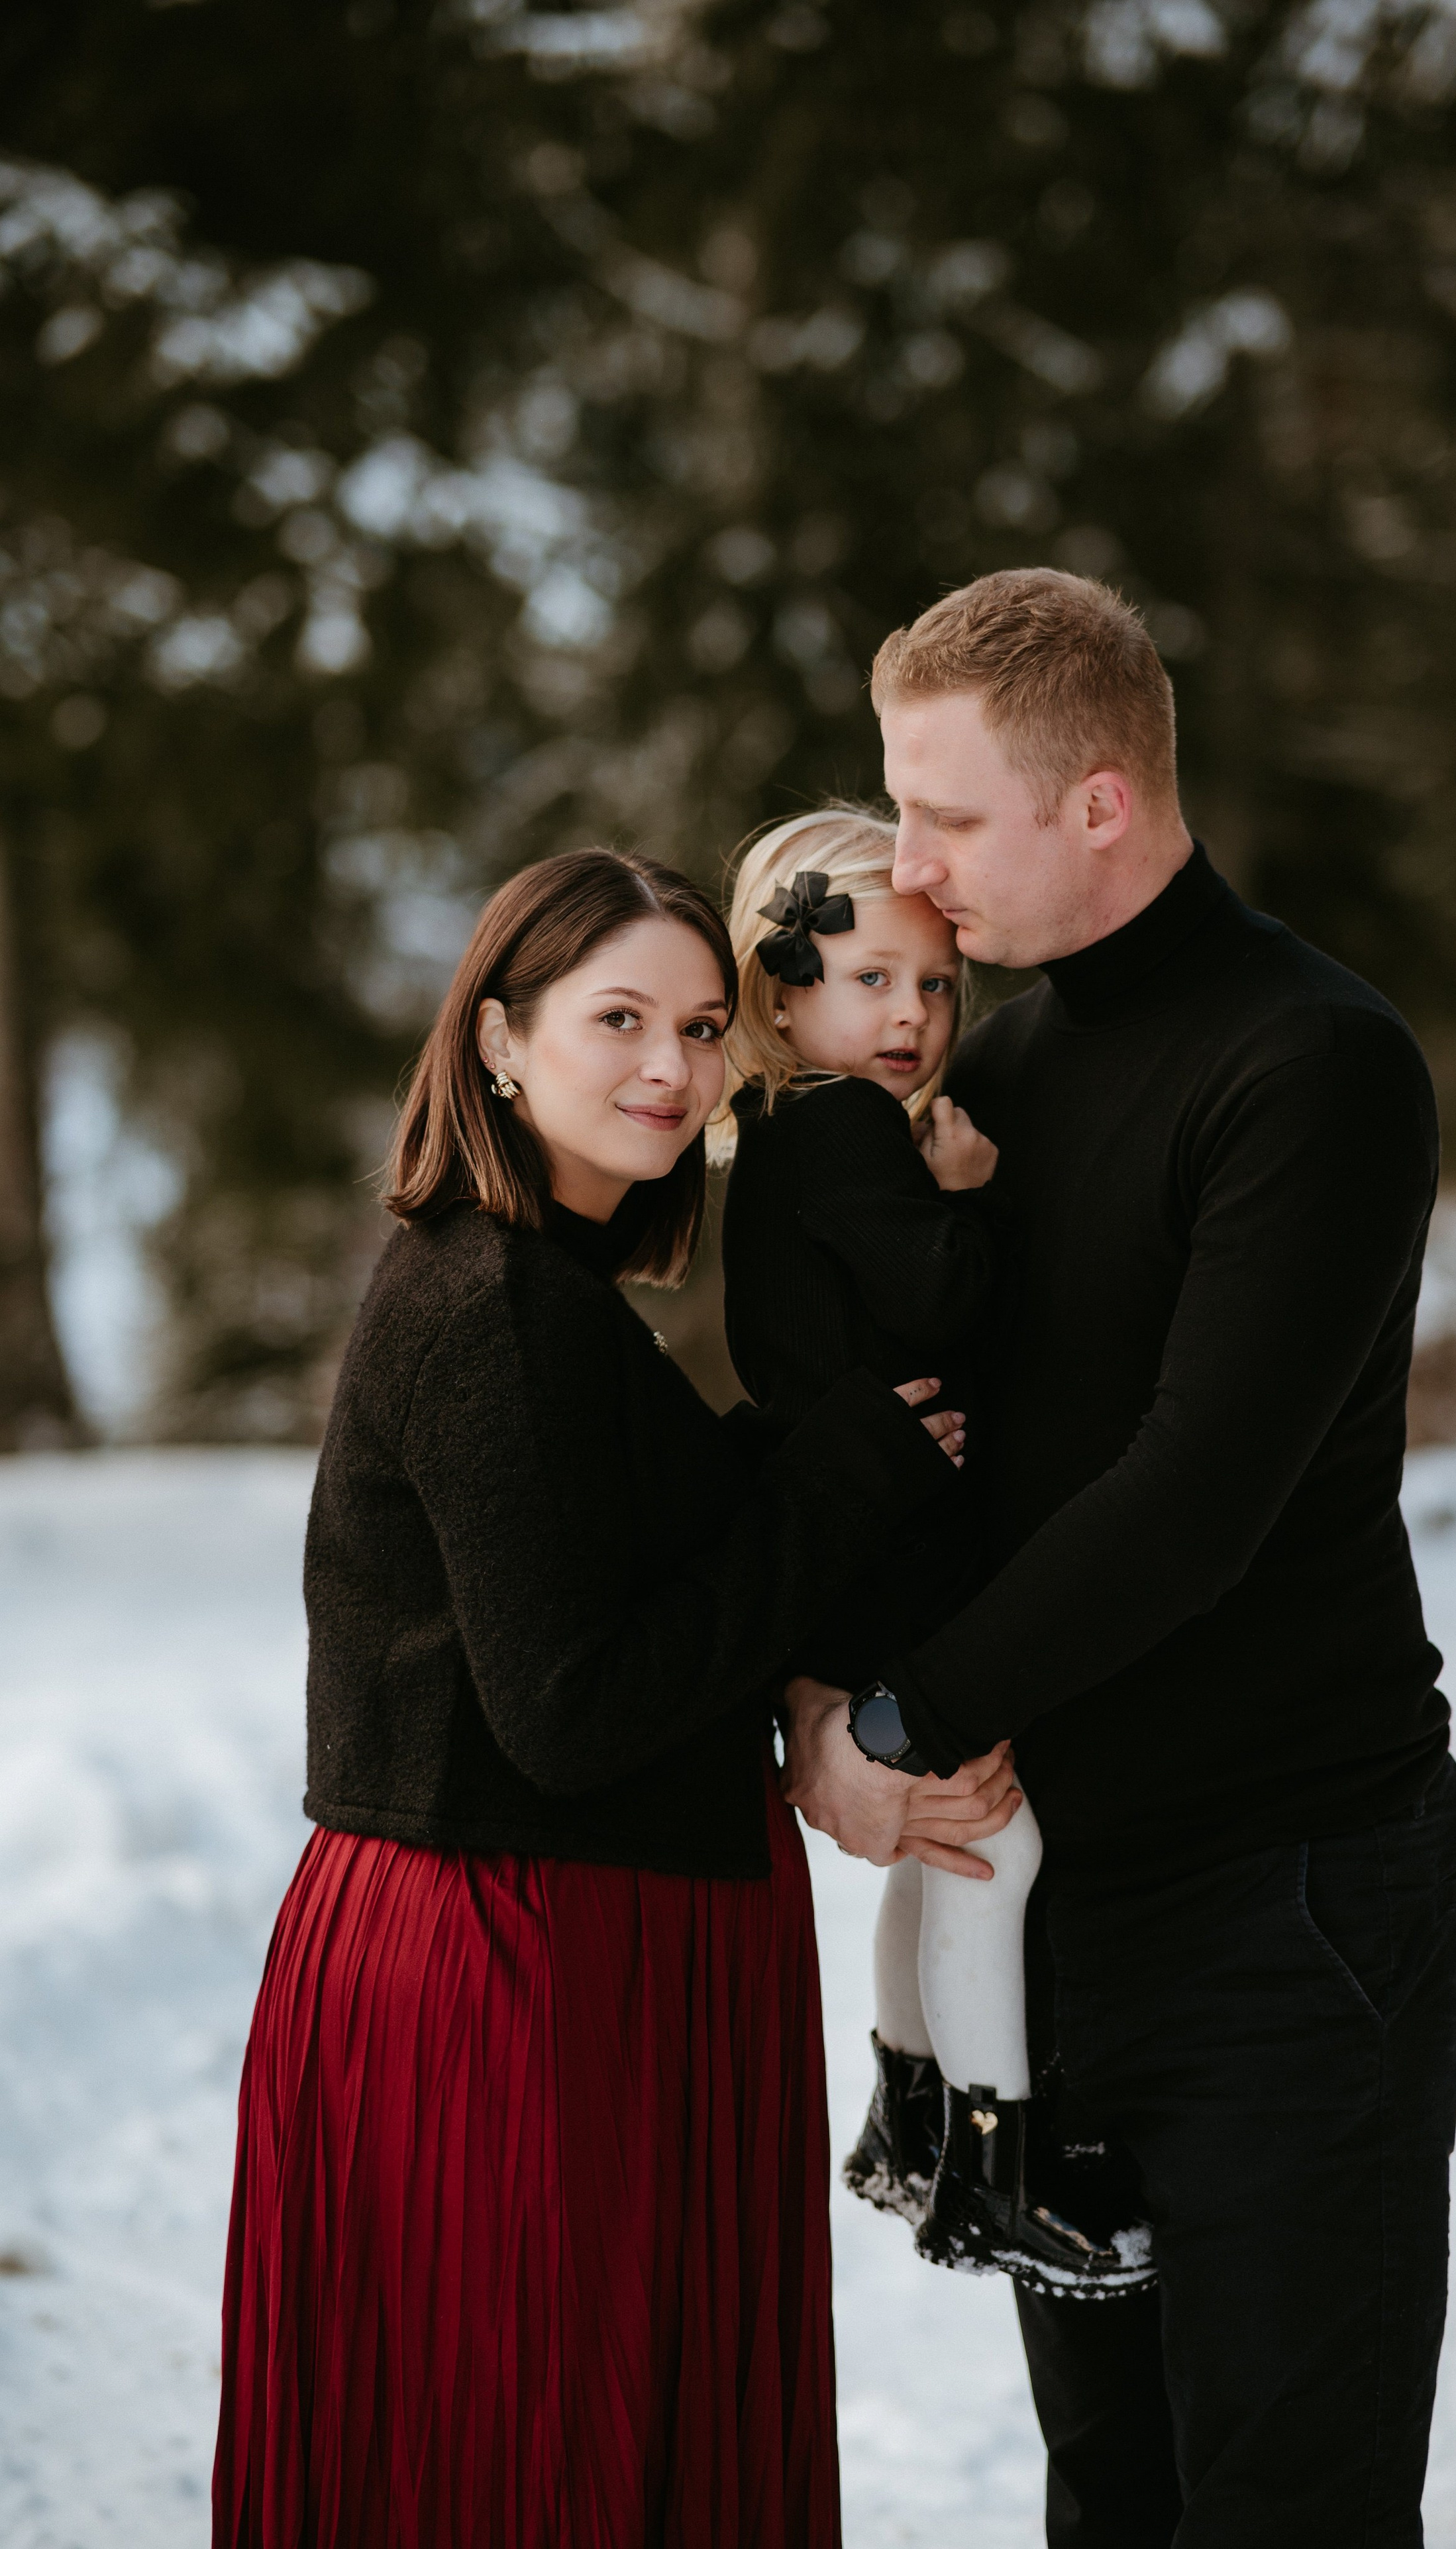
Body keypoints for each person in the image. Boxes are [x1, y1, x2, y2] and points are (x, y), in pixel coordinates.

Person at [782, 570, 1456, 2546]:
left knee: (1286, 2505)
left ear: (1102, 800)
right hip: (1073, 1909)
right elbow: (932, 1454)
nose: (908, 873)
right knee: (1112, 2489)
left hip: (1297, 1913)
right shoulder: (996, 1075)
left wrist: (909, 1725)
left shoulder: (1314, 1066)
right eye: (895, 806)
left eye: (947, 817)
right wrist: (819, 1679)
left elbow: (1193, 1499)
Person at [211, 844, 1017, 2549]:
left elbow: (620, 1558)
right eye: (618, 1019)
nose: (671, 1067)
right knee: (533, 2468)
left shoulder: (550, 1290)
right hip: (518, 1982)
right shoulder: (494, 1303)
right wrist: (842, 1478)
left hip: (580, 1953)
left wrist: (795, 1488)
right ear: (499, 1040)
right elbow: (570, 1702)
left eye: (705, 1026)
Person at [715, 806, 1149, 2298]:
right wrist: (975, 1201)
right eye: (866, 981)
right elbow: (948, 1300)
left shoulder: (790, 1135)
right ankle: (989, 2171)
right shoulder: (840, 1131)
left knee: (933, 1835)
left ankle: (906, 2119)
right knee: (988, 1840)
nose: (907, 1015)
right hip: (894, 1539)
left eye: (933, 985)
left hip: (860, 1532)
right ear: (780, 999)